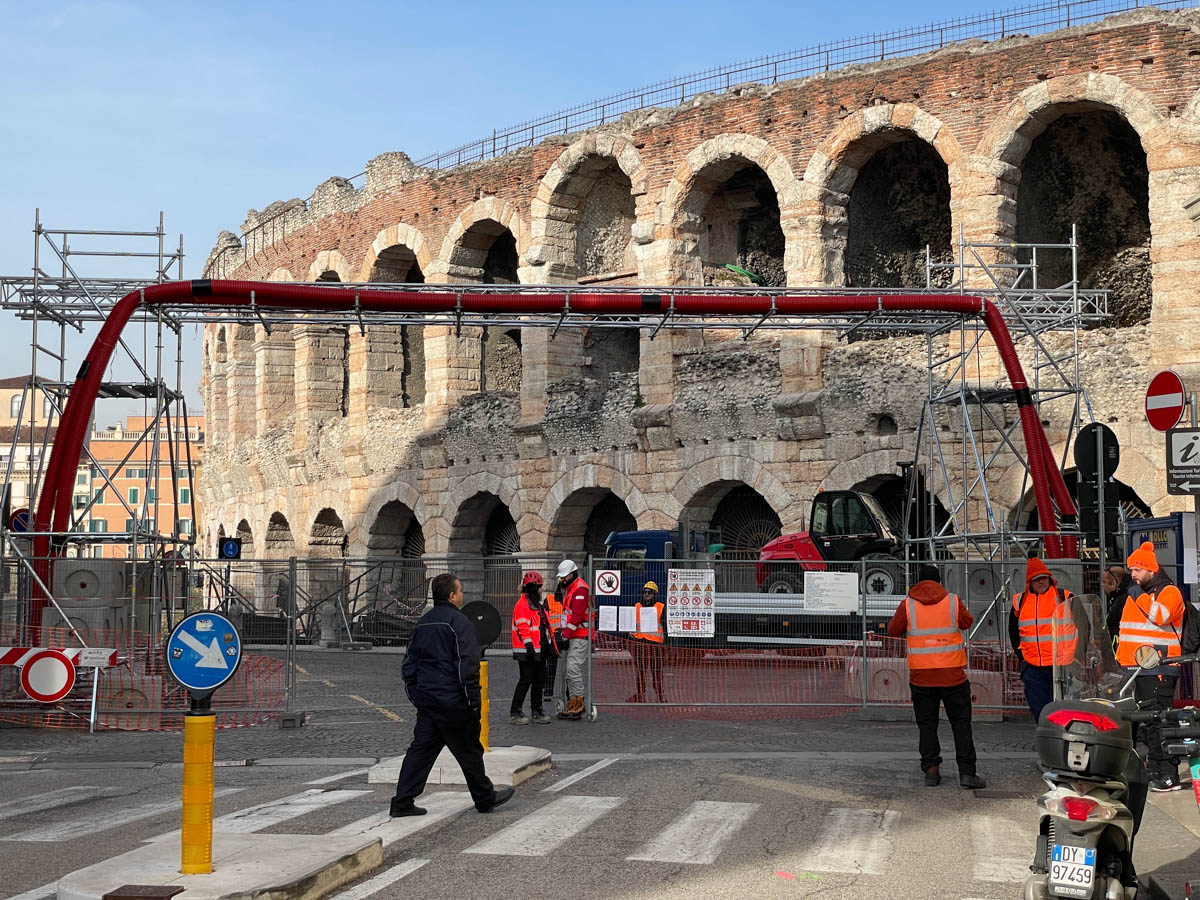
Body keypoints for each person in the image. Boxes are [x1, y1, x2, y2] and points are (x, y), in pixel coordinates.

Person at [390, 572, 514, 817]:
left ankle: (402, 801)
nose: (462, 595)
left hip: (428, 702)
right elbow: (467, 665)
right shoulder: (460, 623)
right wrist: (474, 703)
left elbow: (409, 666)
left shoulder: (422, 623)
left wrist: (417, 696)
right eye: (460, 591)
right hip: (453, 701)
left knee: (420, 752)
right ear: (452, 595)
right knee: (469, 751)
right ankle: (484, 798)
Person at [888, 563, 985, 789]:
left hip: (922, 677)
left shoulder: (908, 605)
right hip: (953, 676)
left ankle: (931, 771)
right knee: (961, 724)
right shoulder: (952, 601)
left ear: (917, 581)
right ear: (939, 581)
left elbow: (893, 630)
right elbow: (967, 622)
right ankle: (967, 774)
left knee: (927, 725)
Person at [1117, 541, 1186, 792]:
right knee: (1147, 724)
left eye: (1137, 570)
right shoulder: (1138, 594)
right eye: (1131, 570)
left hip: (1159, 668)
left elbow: (1160, 616)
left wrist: (1138, 595)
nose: (1132, 575)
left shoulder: (1169, 592)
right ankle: (1154, 768)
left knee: (1160, 722)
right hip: (1136, 668)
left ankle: (1169, 774)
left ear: (1151, 570)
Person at [1008, 557, 1077, 722]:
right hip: (1033, 667)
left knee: (1062, 711)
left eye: (1044, 578)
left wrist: (1076, 656)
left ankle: (1061, 742)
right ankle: (1048, 741)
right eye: (1037, 579)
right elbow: (1013, 632)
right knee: (1039, 710)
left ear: (1050, 578)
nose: (1041, 582)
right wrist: (1022, 658)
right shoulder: (1020, 601)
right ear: (1029, 582)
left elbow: (1084, 625)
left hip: (1060, 666)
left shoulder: (1065, 597)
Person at [510, 571, 555, 725]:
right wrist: (529, 647)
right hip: (526, 651)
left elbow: (543, 627)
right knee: (526, 680)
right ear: (533, 588)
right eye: (540, 587)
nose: (542, 590)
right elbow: (523, 627)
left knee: (538, 681)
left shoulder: (536, 605)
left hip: (538, 650)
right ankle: (515, 712)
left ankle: (537, 710)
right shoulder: (522, 605)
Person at [556, 559, 591, 721]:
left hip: (580, 636)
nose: (562, 580)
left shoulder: (580, 589)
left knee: (573, 669)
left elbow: (576, 616)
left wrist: (565, 634)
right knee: (570, 671)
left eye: (564, 577)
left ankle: (578, 702)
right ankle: (574, 702)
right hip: (574, 635)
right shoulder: (572, 589)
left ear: (572, 574)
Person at [626, 580, 666, 703]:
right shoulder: (637, 606)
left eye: (649, 592)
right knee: (640, 672)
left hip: (655, 645)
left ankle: (660, 696)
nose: (647, 594)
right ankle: (640, 695)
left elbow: (665, 626)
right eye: (645, 592)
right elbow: (630, 624)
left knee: (657, 672)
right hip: (640, 644)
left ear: (655, 594)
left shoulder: (661, 607)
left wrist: (667, 645)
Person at [1101, 564, 1142, 645]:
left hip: (1124, 648)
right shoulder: (1129, 593)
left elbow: (1113, 625)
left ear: (1113, 583)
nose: (1102, 585)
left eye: (1104, 582)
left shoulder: (1122, 600)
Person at [543, 581, 565, 701]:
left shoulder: (571, 600)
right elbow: (544, 618)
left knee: (570, 668)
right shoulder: (550, 599)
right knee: (551, 666)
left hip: (568, 636)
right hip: (553, 637)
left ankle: (569, 694)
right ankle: (548, 691)